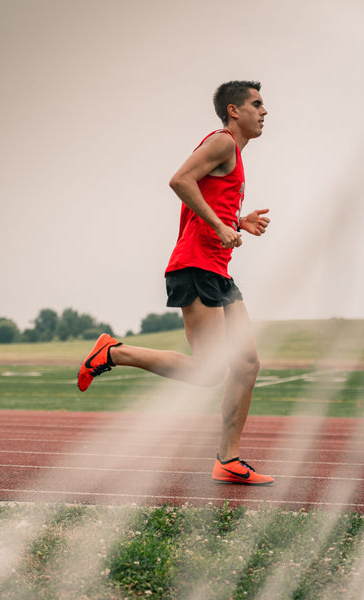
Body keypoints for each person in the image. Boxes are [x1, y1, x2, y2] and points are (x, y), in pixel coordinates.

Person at [78, 80, 274, 485]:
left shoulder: (233, 153)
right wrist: (221, 224)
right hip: (195, 267)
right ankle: (113, 352)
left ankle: (228, 460)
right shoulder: (223, 142)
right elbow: (180, 181)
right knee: (209, 372)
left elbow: (206, 195)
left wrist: (237, 221)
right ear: (234, 111)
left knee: (248, 363)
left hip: (217, 270)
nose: (264, 111)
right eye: (257, 104)